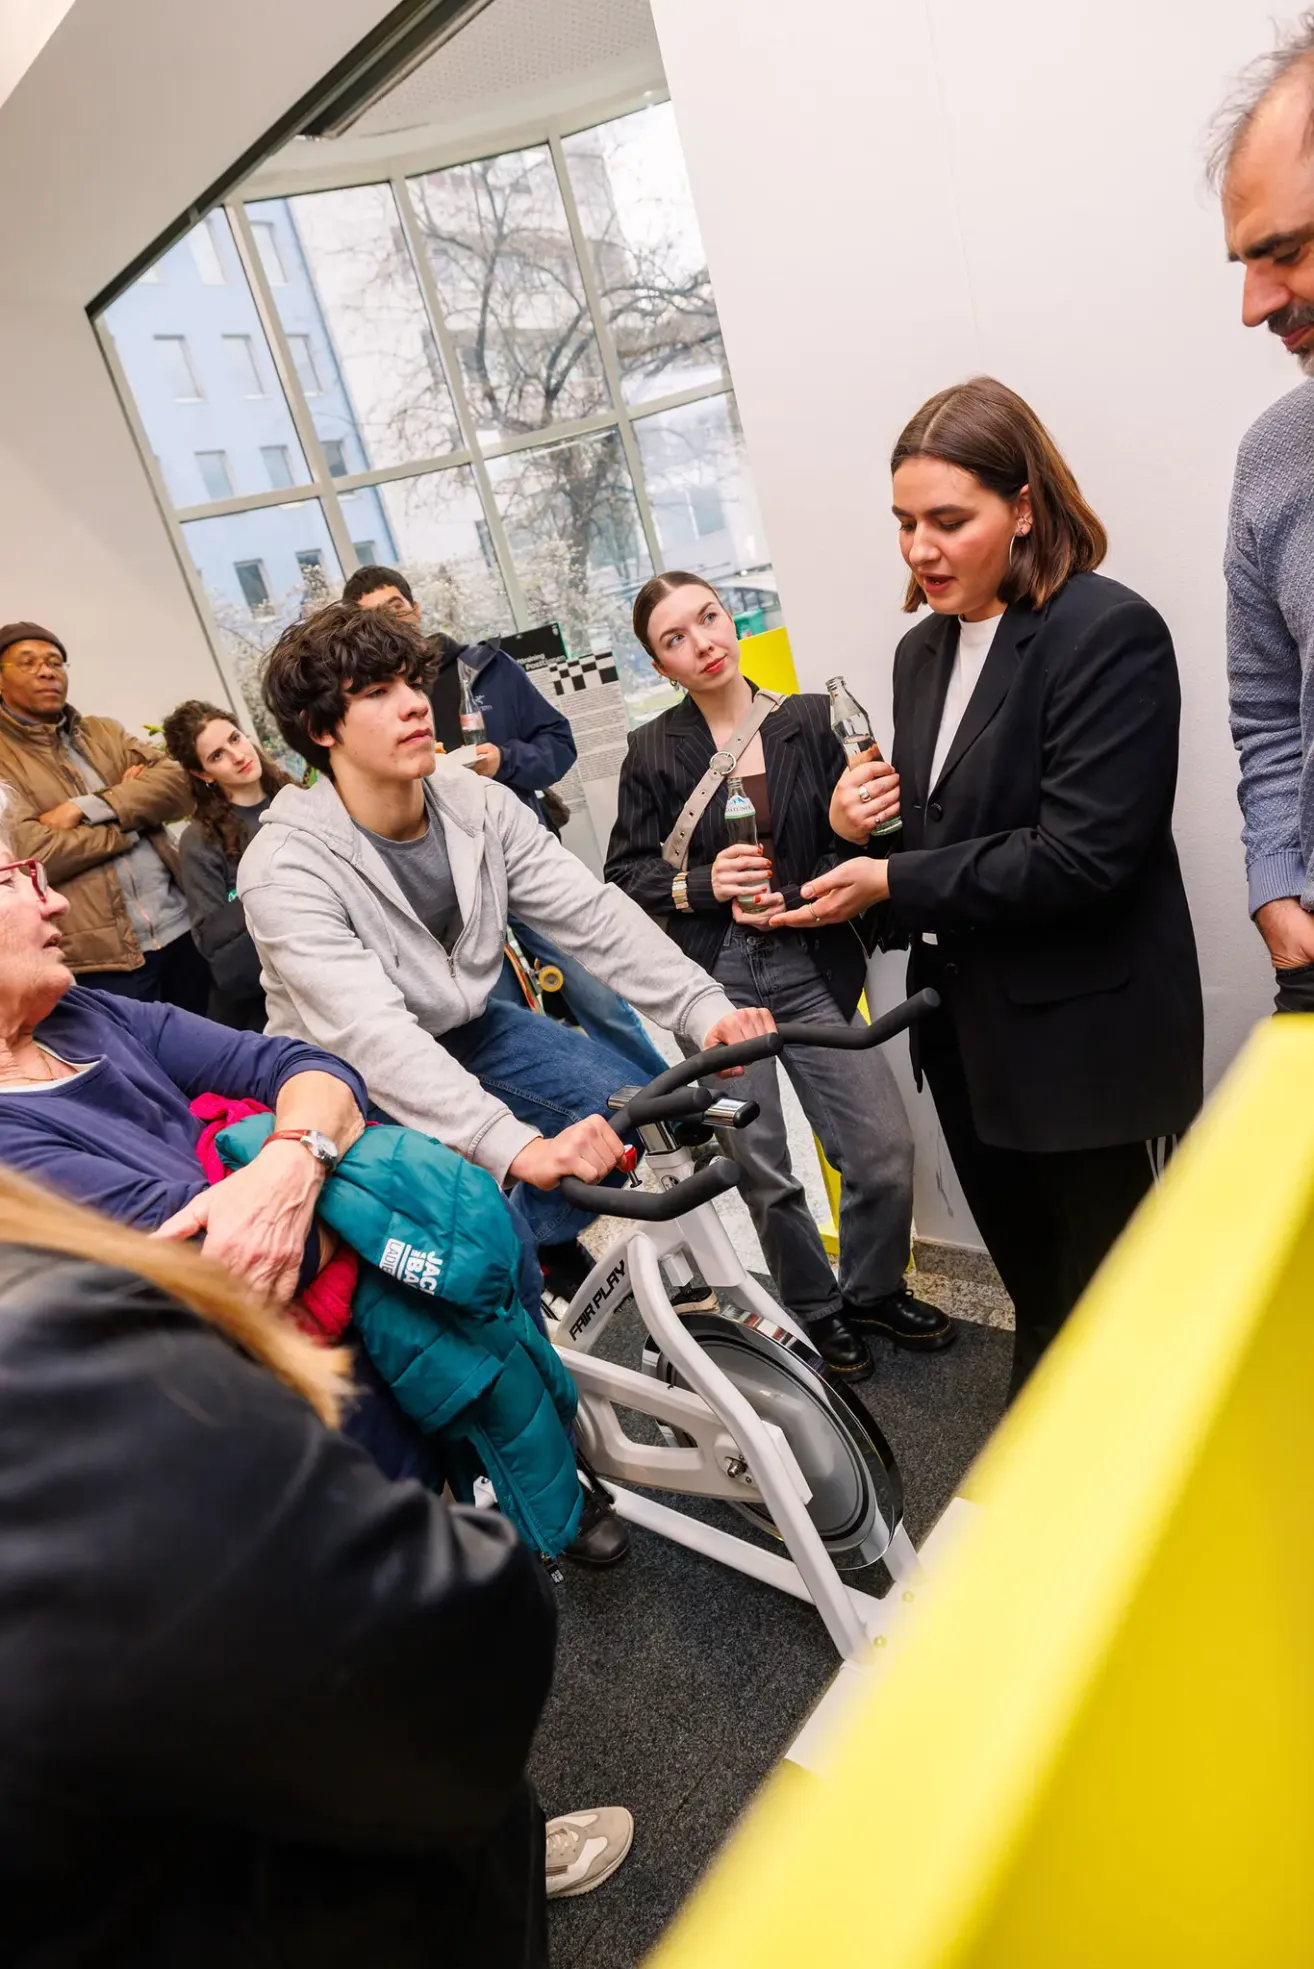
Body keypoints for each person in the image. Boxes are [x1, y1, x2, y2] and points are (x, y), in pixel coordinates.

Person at [0, 1163, 633, 1965]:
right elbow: (469, 1638)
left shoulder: (105, 1043)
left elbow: (300, 1070)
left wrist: (297, 1152)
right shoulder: (52, 1340)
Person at [772, 378, 1203, 1397]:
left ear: (1025, 506)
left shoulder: (1107, 631)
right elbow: (949, 833)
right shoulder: (922, 651)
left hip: (1081, 1044)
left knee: (1118, 1309)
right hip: (970, 1043)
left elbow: (1084, 856)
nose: (920, 548)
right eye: (905, 523)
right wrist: (856, 829)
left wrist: (893, 871)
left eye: (948, 520)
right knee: (1042, 1298)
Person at [239, 601, 774, 1264]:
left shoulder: (480, 803)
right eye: (378, 693)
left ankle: (527, 1254)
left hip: (468, 1026)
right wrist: (515, 1146)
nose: (413, 705)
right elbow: (371, 1036)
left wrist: (702, 1006)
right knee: (463, 1206)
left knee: (619, 1115)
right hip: (339, 1072)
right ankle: (505, 1267)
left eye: (410, 682)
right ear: (322, 729)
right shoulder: (284, 868)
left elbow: (589, 912)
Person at [605, 572, 950, 1379]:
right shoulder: (651, 749)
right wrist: (698, 883)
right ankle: (817, 1309)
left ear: (731, 619)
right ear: (661, 666)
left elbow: (866, 844)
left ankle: (870, 1289)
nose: (704, 642)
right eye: (676, 639)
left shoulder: (809, 720)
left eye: (709, 618)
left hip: (807, 956)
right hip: (718, 976)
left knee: (882, 1149)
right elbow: (622, 878)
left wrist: (845, 844)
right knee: (763, 1165)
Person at [343, 563, 670, 1083]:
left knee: (598, 999)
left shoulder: (484, 669)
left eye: (396, 609)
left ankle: (678, 1114)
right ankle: (567, 1133)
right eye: (373, 620)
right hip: (446, 895)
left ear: (416, 609)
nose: (390, 625)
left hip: (517, 858)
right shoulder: (366, 708)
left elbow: (559, 744)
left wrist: (504, 761)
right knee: (502, 1025)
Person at [1211, 17, 1314, 1011]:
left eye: (1282, 251)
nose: (1255, 304)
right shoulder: (1273, 459)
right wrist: (1275, 884)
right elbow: (1268, 704)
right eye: (1244, 260)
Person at [0, 619, 208, 1008]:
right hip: (103, 960)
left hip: (182, 926)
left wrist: (84, 808)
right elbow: (32, 853)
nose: (47, 671)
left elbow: (181, 784)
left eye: (56, 662)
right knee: (145, 1066)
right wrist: (134, 821)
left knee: (218, 1053)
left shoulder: (102, 733)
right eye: (27, 663)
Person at [162, 698, 294, 1028]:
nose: (238, 756)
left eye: (235, 738)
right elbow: (214, 945)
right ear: (201, 772)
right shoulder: (201, 841)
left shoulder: (297, 800)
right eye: (217, 755)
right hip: (270, 1006)